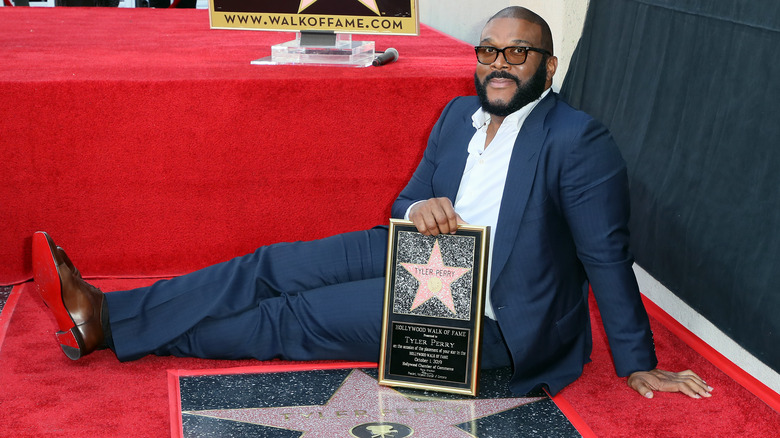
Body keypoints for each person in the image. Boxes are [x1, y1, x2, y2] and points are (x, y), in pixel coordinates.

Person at [32, 6, 712, 399]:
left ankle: (115, 330)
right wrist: (419, 211)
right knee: (269, 265)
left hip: (483, 313)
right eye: (490, 50)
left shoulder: (578, 140)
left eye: (519, 53)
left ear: (548, 67)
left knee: (288, 319)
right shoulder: (456, 115)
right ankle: (108, 312)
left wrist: (635, 359)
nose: (500, 64)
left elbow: (606, 254)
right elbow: (410, 196)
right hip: (421, 251)